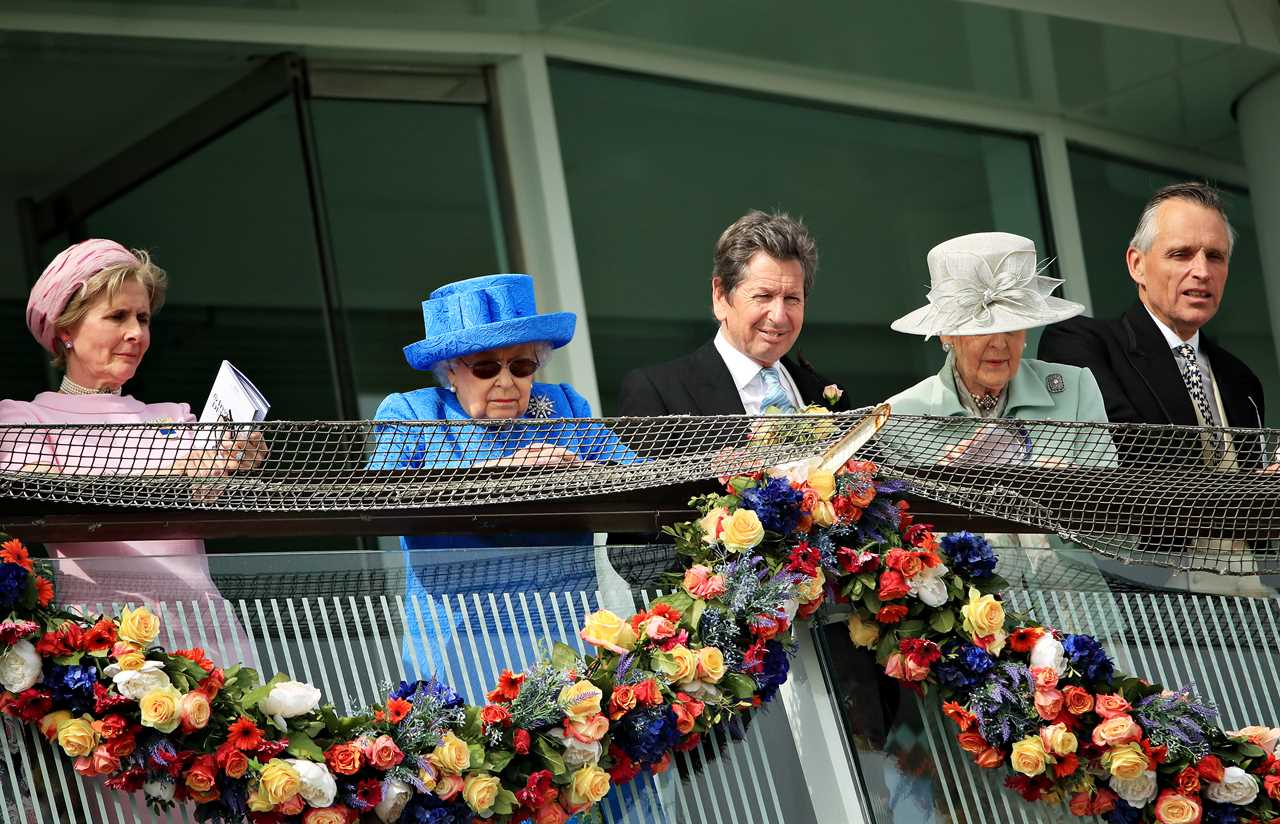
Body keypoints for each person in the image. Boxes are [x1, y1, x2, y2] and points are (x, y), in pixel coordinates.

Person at [0, 239, 264, 823]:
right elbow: (59, 489)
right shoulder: (24, 418)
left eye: (143, 317)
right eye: (117, 316)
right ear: (65, 329)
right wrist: (184, 463)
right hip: (107, 651)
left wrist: (234, 465)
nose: (136, 332)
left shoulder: (174, 417)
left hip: (211, 634)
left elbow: (207, 507)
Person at [870, 231, 1117, 824]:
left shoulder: (1074, 387)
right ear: (948, 332)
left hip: (1083, 619)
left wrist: (1064, 483)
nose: (1001, 343)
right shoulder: (900, 418)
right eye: (982, 327)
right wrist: (946, 494)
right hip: (974, 649)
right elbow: (893, 555)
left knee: (1104, 785)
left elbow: (1118, 520)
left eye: (1015, 324)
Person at [1038, 181, 1266, 467]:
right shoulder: (1080, 344)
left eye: (1215, 256)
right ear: (1137, 265)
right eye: (1181, 254)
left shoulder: (1241, 379)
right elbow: (1120, 458)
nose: (1202, 271)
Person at [618, 209, 851, 417]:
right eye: (763, 296)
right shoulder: (657, 393)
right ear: (720, 296)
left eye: (791, 299)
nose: (779, 316)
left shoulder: (831, 399)